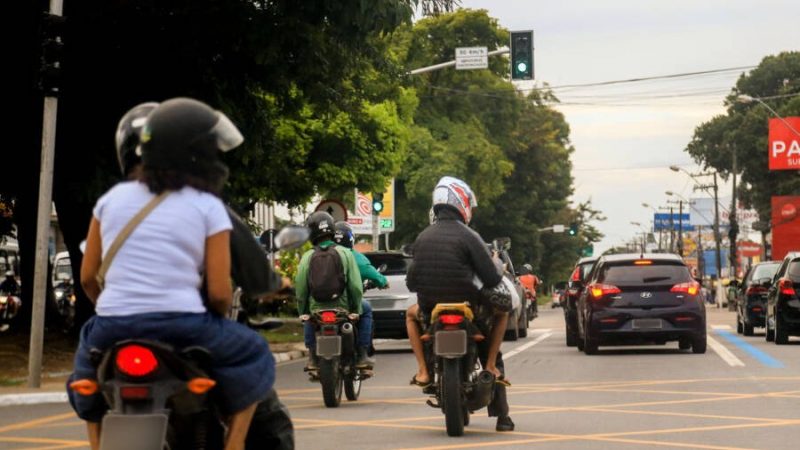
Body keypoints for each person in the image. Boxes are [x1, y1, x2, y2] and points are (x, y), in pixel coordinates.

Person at [70, 98, 273, 450]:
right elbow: (221, 293)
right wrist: (216, 320)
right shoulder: (208, 205)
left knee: (86, 376)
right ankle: (235, 443)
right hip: (183, 324)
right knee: (256, 351)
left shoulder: (111, 198)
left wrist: (114, 308)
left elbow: (88, 277)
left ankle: (97, 442)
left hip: (112, 324)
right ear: (192, 156)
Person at [404, 176, 515, 432]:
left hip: (431, 310)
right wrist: (496, 261)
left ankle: (423, 371)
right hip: (469, 308)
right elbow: (491, 277)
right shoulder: (469, 236)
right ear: (460, 201)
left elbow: (412, 283)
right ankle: (495, 391)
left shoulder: (422, 238)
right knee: (499, 316)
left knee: (410, 316)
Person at [296, 212, 364, 371]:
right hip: (342, 308)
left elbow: (301, 289)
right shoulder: (345, 253)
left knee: (309, 320)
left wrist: (303, 311)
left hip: (316, 309)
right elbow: (355, 286)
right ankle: (359, 355)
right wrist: (356, 309)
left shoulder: (307, 256)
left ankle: (312, 358)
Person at [333, 220, 385, 365]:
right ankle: (362, 353)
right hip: (347, 303)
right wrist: (382, 282)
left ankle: (312, 355)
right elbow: (376, 277)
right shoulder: (355, 257)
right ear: (350, 238)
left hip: (321, 303)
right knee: (366, 309)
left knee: (308, 318)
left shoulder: (315, 255)